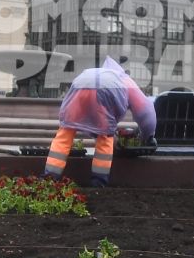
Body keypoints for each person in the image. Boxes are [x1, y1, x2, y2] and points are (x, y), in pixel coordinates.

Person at [41, 56, 156, 187]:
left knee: (65, 134)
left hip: (79, 85)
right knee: (105, 139)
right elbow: (146, 111)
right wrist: (148, 136)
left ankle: (49, 178)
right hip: (106, 92)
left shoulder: (96, 72)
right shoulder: (123, 79)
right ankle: (98, 183)